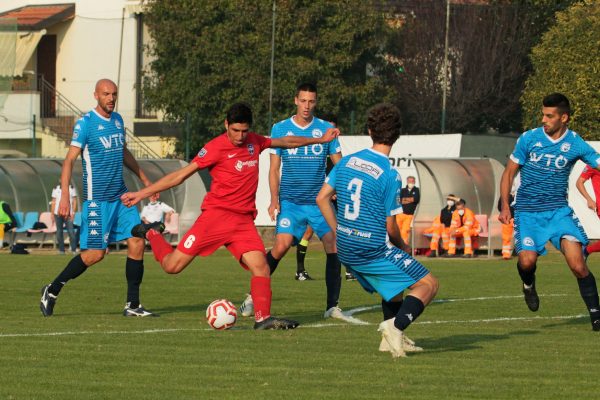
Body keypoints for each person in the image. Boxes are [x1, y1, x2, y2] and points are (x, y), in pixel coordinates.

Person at [121, 102, 340, 330]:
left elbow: (287, 141)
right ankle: (153, 233)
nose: (240, 136)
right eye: (235, 130)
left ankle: (263, 319)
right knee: (172, 267)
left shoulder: (255, 141)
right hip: (215, 218)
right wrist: (142, 193)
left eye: (245, 131)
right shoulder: (215, 147)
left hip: (243, 222)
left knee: (262, 267)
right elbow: (180, 175)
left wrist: (320, 140)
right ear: (226, 124)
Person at [316, 103, 438, 358]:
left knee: (394, 287)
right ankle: (396, 326)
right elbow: (390, 225)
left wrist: (338, 231)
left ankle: (391, 340)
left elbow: (322, 198)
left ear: (370, 131)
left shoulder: (348, 161)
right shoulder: (390, 175)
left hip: (346, 248)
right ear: (396, 135)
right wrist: (403, 245)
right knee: (429, 284)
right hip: (372, 248)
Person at [40, 79, 156, 317]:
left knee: (137, 241)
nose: (111, 98)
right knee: (95, 255)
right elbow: (70, 159)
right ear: (96, 95)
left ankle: (132, 305)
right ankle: (52, 290)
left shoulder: (118, 120)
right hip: (97, 201)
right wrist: (64, 196)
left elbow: (123, 151)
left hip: (121, 196)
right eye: (106, 94)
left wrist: (146, 181)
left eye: (114, 94)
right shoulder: (85, 124)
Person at [244, 82, 347, 321]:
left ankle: (332, 306)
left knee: (334, 245)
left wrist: (336, 188)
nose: (307, 106)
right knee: (281, 245)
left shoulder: (326, 129)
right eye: (303, 101)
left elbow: (339, 165)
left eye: (311, 101)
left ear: (316, 102)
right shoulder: (280, 129)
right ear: (295, 101)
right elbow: (273, 169)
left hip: (318, 203)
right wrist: (273, 200)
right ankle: (252, 296)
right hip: (290, 201)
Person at [499, 92, 600, 331]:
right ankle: (528, 284)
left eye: (549, 116)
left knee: (577, 265)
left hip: (558, 212)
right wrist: (505, 204)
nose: (544, 119)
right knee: (527, 261)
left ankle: (596, 316)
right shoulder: (529, 138)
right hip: (527, 212)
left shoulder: (575, 143)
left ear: (564, 118)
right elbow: (509, 172)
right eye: (543, 114)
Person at [576, 164, 600, 256]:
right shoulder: (594, 163)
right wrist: (589, 199)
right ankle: (586, 250)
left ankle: (586, 251)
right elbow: (579, 182)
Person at [50, 182, 79, 254]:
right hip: (58, 214)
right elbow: (53, 201)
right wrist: (52, 213)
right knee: (59, 232)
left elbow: (75, 201)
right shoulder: (55, 188)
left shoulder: (72, 188)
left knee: (71, 232)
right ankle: (61, 250)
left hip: (68, 214)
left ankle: (73, 250)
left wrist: (73, 212)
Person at [395, 176, 420, 245]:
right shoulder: (402, 190)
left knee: (405, 231)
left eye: (412, 181)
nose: (411, 183)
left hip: (409, 215)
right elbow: (400, 200)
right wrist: (410, 200)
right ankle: (396, 244)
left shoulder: (416, 190)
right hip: (400, 214)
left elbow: (416, 199)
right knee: (397, 230)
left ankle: (404, 245)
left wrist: (405, 199)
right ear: (407, 181)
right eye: (409, 181)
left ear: (414, 182)